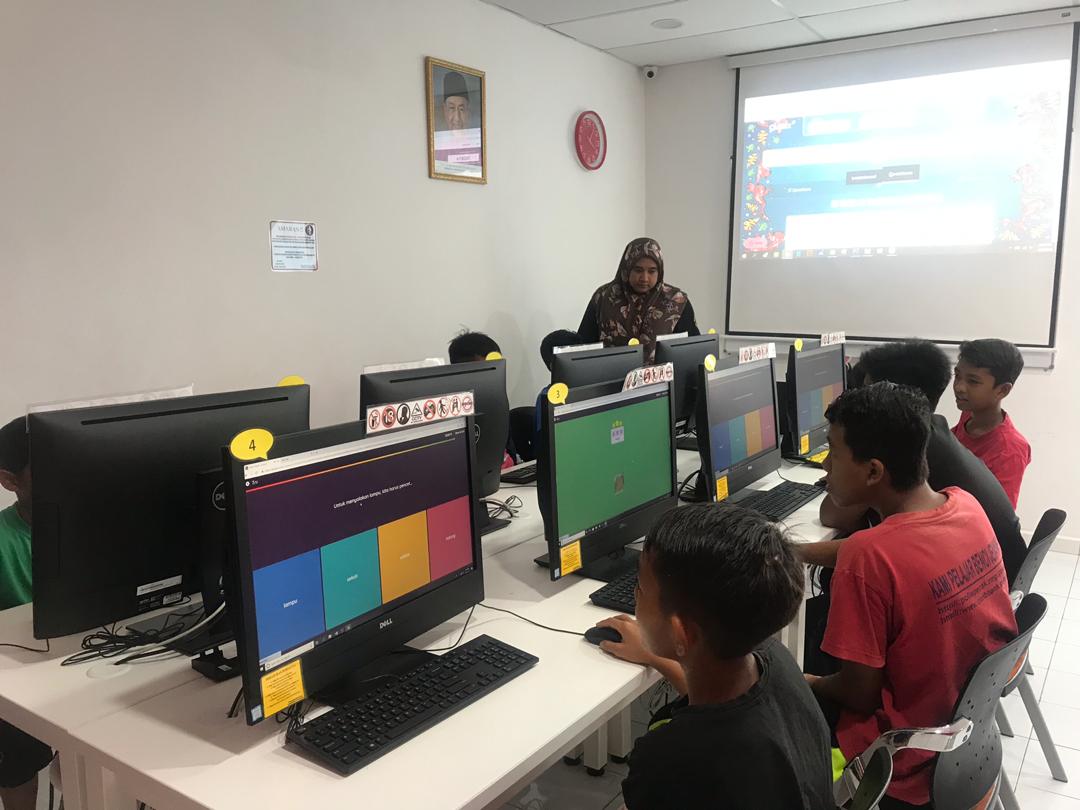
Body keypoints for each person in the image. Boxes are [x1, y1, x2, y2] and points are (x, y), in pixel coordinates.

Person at [805, 383, 1017, 809]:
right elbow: (897, 552)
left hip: (898, 759)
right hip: (963, 739)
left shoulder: (869, 558)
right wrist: (796, 551)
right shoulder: (964, 505)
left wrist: (804, 680)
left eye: (832, 452)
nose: (825, 465)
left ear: (873, 472)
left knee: (768, 688)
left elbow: (859, 695)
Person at [594, 505, 834, 810]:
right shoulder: (776, 660)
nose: (636, 595)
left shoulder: (670, 757)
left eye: (640, 588)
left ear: (682, 633)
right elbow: (720, 707)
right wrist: (655, 656)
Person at [811, 339, 1027, 586]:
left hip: (979, 577)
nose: (859, 405)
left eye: (867, 396)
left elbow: (835, 518)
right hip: (987, 574)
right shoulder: (936, 430)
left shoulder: (900, 447)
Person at [0, 417, 54, 810]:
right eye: (46, 467)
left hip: (85, 665)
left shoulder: (94, 526)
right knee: (14, 748)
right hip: (20, 679)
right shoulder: (4, 540)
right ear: (9, 481)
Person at [578, 238, 699, 364]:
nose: (644, 278)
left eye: (652, 271)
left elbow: (692, 352)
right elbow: (582, 347)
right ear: (626, 268)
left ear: (659, 271)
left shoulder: (676, 302)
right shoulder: (603, 297)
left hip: (661, 376)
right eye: (638, 270)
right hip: (609, 374)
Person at [952, 338, 1031, 508]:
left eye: (973, 381)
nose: (959, 387)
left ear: (1002, 390)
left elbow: (1000, 515)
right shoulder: (969, 414)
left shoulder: (1010, 449)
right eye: (957, 376)